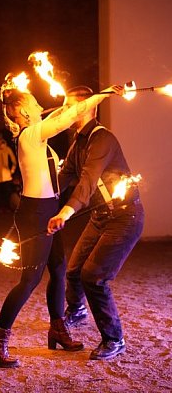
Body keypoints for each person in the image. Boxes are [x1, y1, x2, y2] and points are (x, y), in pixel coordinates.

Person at [0, 76, 122, 368]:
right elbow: (66, 117)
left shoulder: (37, 137)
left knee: (58, 270)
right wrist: (104, 94)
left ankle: (58, 329)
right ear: (22, 112)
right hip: (34, 214)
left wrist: (70, 104)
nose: (38, 104)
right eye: (33, 102)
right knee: (29, 280)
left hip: (49, 209)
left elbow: (62, 113)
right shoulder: (30, 134)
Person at [47, 85, 143, 361]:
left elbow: (88, 180)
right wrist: (38, 200)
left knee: (94, 277)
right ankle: (77, 310)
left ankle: (115, 339)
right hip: (101, 217)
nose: (65, 112)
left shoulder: (103, 139)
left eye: (70, 107)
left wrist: (65, 212)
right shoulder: (78, 143)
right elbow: (63, 178)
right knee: (74, 270)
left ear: (89, 107)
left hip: (125, 217)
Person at [0, 132, 17, 212]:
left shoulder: (6, 149)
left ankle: (6, 206)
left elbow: (13, 161)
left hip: (6, 175)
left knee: (5, 192)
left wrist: (12, 170)